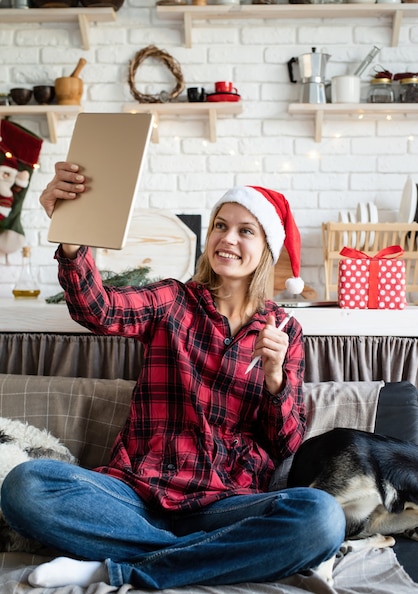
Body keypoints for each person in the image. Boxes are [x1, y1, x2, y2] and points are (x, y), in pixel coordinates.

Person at [1, 163, 345, 590]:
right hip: (135, 497)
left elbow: (285, 445)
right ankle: (210, 556)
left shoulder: (284, 332)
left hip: (224, 503)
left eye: (245, 231)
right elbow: (99, 309)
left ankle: (113, 567)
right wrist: (72, 242)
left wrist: (275, 379)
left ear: (267, 249)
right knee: (24, 485)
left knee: (323, 517)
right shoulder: (172, 301)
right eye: (221, 225)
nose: (228, 239)